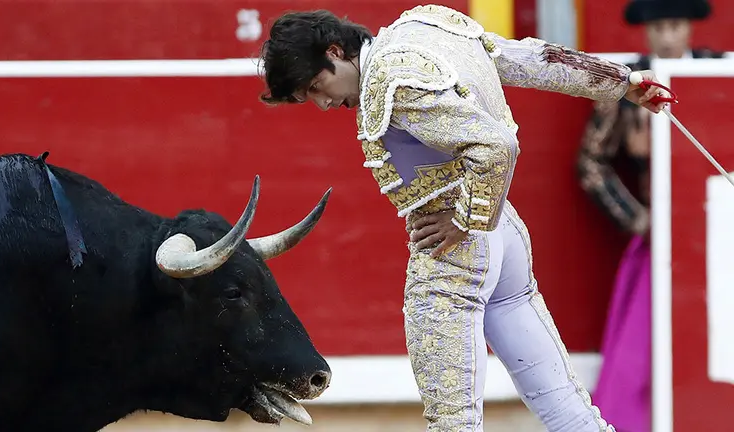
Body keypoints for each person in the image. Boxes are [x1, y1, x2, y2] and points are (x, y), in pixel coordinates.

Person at [258, 4, 667, 431]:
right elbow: (526, 58)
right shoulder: (423, 26)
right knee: (564, 402)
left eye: (317, 85)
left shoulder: (391, 81)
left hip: (454, 253)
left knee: (453, 422)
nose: (325, 104)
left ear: (336, 51)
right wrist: (620, 82)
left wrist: (464, 221)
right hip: (504, 237)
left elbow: (495, 147)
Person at [577, 1, 724, 431]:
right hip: (661, 233)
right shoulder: (629, 86)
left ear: (689, 28)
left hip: (719, 229)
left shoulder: (717, 72)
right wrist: (637, 219)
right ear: (645, 31)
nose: (666, 36)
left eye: (674, 25)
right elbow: (590, 163)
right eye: (657, 27)